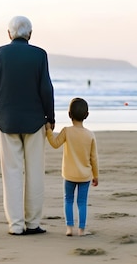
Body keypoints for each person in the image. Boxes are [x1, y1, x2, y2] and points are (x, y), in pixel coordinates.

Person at [0, 16, 55, 236]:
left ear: (9, 33)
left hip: (7, 121)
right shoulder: (40, 55)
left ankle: (16, 225)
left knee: (11, 172)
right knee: (35, 172)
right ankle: (32, 223)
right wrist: (51, 116)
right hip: (36, 120)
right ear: (30, 34)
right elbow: (46, 88)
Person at [45, 97, 99, 237]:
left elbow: (55, 144)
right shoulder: (90, 135)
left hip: (69, 174)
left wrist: (48, 131)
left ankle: (69, 228)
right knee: (82, 202)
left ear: (69, 114)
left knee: (68, 200)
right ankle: (81, 229)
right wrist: (96, 175)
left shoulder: (66, 131)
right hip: (85, 175)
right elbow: (94, 158)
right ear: (87, 115)